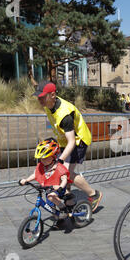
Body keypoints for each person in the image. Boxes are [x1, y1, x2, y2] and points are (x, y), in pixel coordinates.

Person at [33, 81, 103, 211]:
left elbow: (72, 141)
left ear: (53, 95)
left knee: (67, 172)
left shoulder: (65, 114)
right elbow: (55, 124)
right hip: (64, 141)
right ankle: (69, 202)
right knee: (61, 173)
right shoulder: (48, 105)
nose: (39, 99)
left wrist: (60, 160)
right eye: (38, 96)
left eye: (42, 96)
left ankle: (94, 194)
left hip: (78, 141)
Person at [20, 138, 70, 221]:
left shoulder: (58, 167)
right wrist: (26, 180)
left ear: (53, 156)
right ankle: (58, 218)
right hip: (48, 188)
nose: (42, 161)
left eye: (45, 158)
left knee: (51, 197)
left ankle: (63, 208)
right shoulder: (41, 166)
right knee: (50, 206)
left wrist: (61, 187)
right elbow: (35, 174)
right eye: (41, 159)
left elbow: (64, 179)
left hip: (58, 187)